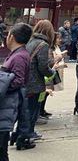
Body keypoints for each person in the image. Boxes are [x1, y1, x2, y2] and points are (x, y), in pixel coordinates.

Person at [0, 22, 33, 157]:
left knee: (1, 149)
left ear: (11, 37)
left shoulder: (19, 56)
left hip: (8, 105)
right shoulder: (18, 54)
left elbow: (18, 80)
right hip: (7, 105)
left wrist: (3, 83)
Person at [25, 20, 58, 144]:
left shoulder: (30, 41)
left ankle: (26, 132)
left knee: (27, 109)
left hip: (27, 80)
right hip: (36, 83)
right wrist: (52, 73)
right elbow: (43, 67)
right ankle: (28, 134)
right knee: (33, 110)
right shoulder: (43, 45)